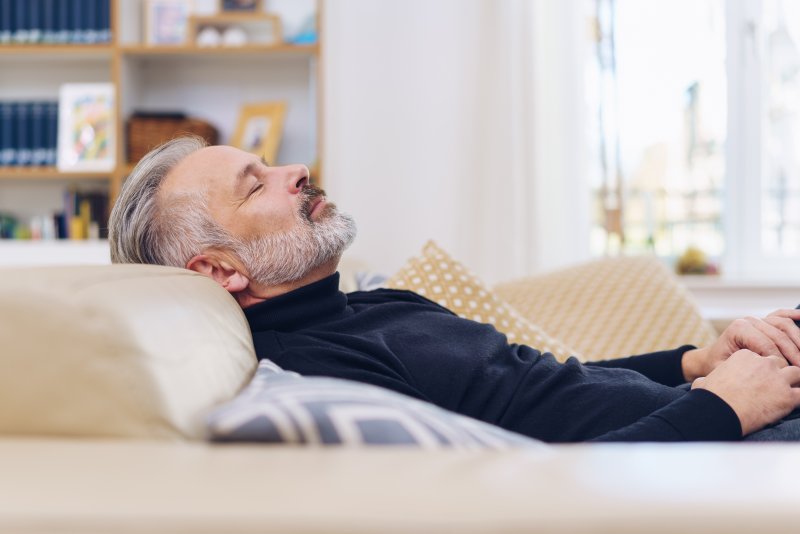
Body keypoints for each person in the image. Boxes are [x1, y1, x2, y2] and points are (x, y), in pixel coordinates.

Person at [109, 136, 800, 442]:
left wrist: (695, 365)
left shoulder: (366, 307)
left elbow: (548, 388)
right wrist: (720, 409)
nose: (296, 169)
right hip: (720, 455)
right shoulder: (315, 367)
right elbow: (541, 491)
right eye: (256, 184)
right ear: (220, 269)